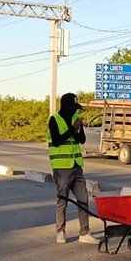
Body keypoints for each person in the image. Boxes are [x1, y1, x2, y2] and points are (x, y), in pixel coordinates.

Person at [48, 93, 98, 245]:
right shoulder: (54, 120)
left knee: (83, 200)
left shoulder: (74, 119)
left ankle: (84, 232)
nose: (76, 111)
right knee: (63, 200)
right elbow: (57, 141)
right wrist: (72, 128)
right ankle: (60, 232)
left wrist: (79, 127)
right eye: (73, 108)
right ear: (66, 106)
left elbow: (81, 140)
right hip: (62, 167)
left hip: (76, 165)